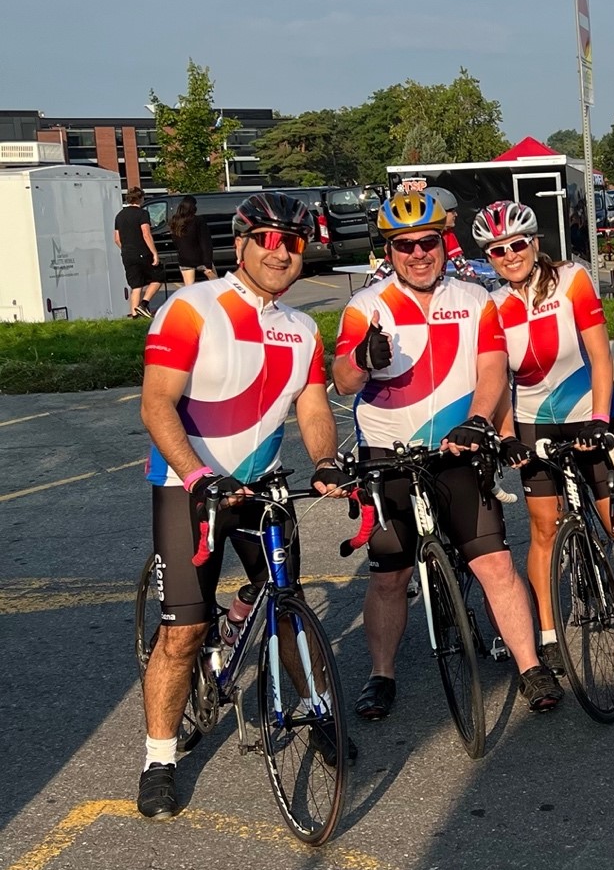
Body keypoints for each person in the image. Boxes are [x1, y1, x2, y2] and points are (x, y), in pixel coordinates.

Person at [136, 192, 347, 820]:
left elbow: (312, 407)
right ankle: (160, 757)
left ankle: (313, 713)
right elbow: (155, 406)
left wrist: (327, 461)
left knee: (288, 606)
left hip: (262, 488)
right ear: (243, 243)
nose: (281, 252)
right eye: (268, 240)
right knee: (183, 632)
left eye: (294, 242)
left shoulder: (303, 327)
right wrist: (199, 475)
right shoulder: (189, 309)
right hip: (188, 488)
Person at [332, 191, 561, 723]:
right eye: (405, 245)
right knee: (389, 575)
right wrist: (363, 359)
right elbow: (341, 380)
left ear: (444, 242)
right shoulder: (366, 307)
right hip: (389, 456)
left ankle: (530, 667)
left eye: (427, 242)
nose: (418, 253)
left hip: (457, 449)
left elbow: (492, 368)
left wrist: (479, 422)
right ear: (389, 251)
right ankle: (381, 675)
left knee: (496, 564)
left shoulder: (475, 298)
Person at [474, 199, 614, 673]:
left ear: (534, 243)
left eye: (517, 244)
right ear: (488, 257)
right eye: (497, 250)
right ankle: (547, 633)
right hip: (533, 419)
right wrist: (508, 437)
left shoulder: (573, 280)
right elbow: (497, 378)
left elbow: (600, 352)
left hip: (589, 411)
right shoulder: (492, 305)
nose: (510, 255)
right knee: (544, 529)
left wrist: (602, 416)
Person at [115, 187, 162, 318]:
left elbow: (117, 239)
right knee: (157, 278)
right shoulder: (142, 214)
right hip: (141, 251)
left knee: (136, 285)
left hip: (127, 253)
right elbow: (146, 234)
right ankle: (144, 304)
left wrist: (126, 249)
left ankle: (135, 315)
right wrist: (154, 253)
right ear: (140, 198)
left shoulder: (120, 215)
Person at [168, 195, 217, 286]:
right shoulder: (198, 221)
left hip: (184, 258)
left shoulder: (175, 221)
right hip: (200, 258)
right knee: (215, 283)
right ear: (193, 207)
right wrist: (208, 263)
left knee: (188, 286)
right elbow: (205, 243)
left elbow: (175, 241)